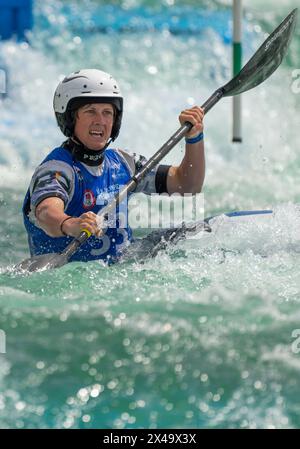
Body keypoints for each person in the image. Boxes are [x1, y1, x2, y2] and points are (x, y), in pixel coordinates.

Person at [23, 69, 205, 263]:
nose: (100, 121)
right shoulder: (58, 169)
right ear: (69, 118)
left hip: (123, 267)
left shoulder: (124, 163)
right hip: (70, 278)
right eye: (90, 111)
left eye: (107, 113)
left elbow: (187, 185)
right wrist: (71, 224)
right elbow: (46, 212)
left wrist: (194, 138)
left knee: (193, 234)